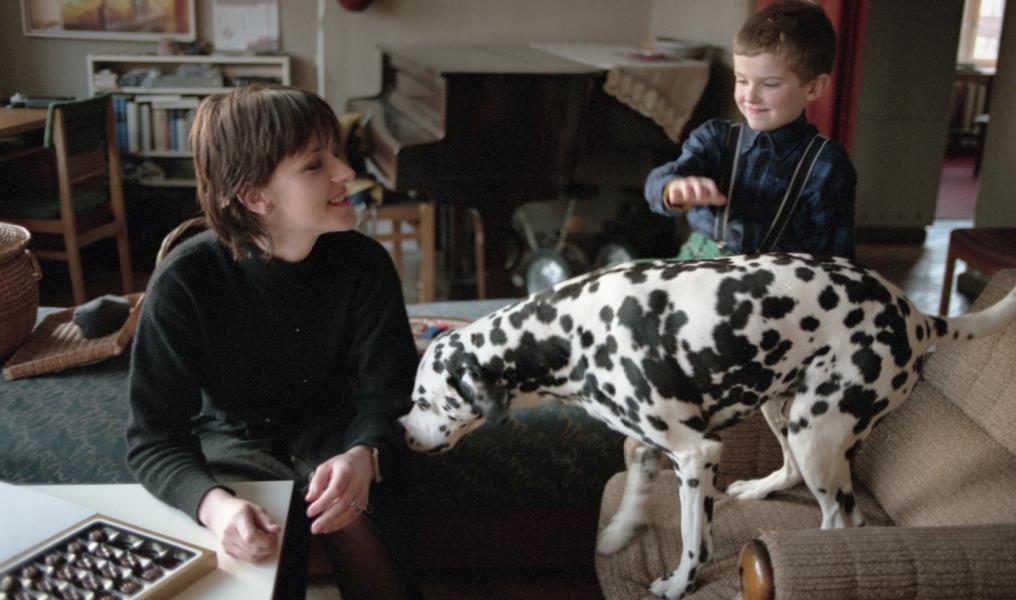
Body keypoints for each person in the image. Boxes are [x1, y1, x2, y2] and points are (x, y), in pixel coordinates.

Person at [125, 84, 420, 600]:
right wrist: (215, 506)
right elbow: (154, 437)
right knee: (260, 548)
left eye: (336, 153)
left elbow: (388, 395)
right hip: (235, 438)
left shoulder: (365, 264)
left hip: (340, 433)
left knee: (361, 531)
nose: (345, 171)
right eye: (315, 164)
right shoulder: (185, 280)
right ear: (255, 196)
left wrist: (365, 454)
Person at [645, 0, 856, 260]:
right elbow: (658, 183)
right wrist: (674, 189)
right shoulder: (714, 138)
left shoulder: (828, 164)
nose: (750, 96)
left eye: (770, 84)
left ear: (813, 88)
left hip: (775, 276)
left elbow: (837, 256)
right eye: (742, 80)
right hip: (697, 263)